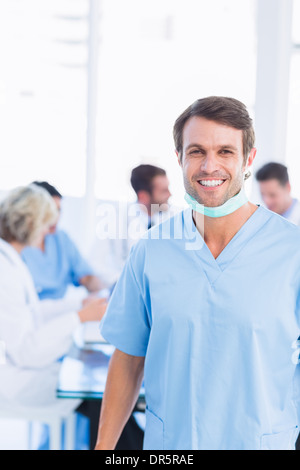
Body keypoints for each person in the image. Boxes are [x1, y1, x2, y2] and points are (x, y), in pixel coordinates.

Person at [95, 96, 300, 451]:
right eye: (196, 151)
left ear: (248, 159)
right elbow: (129, 357)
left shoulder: (291, 251)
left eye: (225, 151)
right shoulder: (152, 250)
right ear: (179, 158)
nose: (209, 165)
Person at [0, 185, 106, 437]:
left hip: (22, 369)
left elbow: (33, 312)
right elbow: (27, 351)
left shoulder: (12, 260)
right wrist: (78, 318)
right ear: (31, 224)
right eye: (46, 224)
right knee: (99, 394)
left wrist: (78, 306)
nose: (49, 232)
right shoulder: (6, 271)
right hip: (15, 383)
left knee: (100, 391)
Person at [89, 164, 173, 288]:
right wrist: (123, 282)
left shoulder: (170, 220)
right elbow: (96, 263)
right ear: (143, 196)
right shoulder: (116, 221)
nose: (170, 195)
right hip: (127, 290)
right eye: (164, 191)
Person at [21, 181, 104, 303]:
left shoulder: (61, 239)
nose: (55, 216)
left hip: (61, 309)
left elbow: (86, 276)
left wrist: (101, 293)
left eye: (58, 210)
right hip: (31, 310)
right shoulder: (18, 243)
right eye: (50, 210)